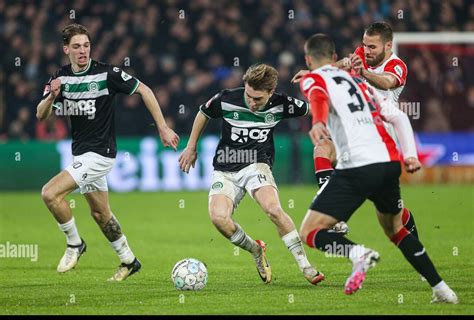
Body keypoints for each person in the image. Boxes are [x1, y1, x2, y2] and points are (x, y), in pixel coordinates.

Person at [297, 33, 458, 303]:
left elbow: (318, 97)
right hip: (389, 162)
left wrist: (317, 122)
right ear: (336, 58)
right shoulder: (361, 84)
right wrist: (410, 155)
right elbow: (398, 115)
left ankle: (357, 254)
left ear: (307, 60)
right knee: (396, 229)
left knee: (310, 232)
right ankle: (442, 289)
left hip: (358, 165)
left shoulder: (312, 78)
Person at [36, 24, 179, 281]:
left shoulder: (107, 73)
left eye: (87, 45)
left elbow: (144, 90)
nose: (83, 51)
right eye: (77, 46)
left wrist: (163, 127)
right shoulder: (60, 77)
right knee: (101, 213)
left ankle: (74, 244)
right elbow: (40, 115)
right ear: (66, 49)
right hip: (80, 155)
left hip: (101, 154)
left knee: (50, 193)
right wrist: (51, 98)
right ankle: (129, 260)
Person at [179, 64, 324, 285]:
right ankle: (256, 250)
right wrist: (191, 147)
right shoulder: (227, 98)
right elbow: (203, 113)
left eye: (258, 99)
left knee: (273, 209)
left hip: (257, 163)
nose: (252, 102)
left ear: (271, 93)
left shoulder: (282, 104)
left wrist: (322, 80)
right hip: (226, 166)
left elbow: (317, 107)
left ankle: (306, 266)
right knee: (218, 218)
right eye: (249, 95)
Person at [293, 22, 421, 267]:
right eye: (364, 45)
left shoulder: (397, 65)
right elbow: (340, 65)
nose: (366, 50)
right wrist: (314, 75)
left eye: (372, 46)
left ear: (387, 46)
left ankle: (413, 246)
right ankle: (337, 220)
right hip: (354, 130)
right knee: (321, 147)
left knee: (392, 213)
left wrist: (364, 73)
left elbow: (385, 82)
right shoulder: (362, 54)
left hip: (382, 138)